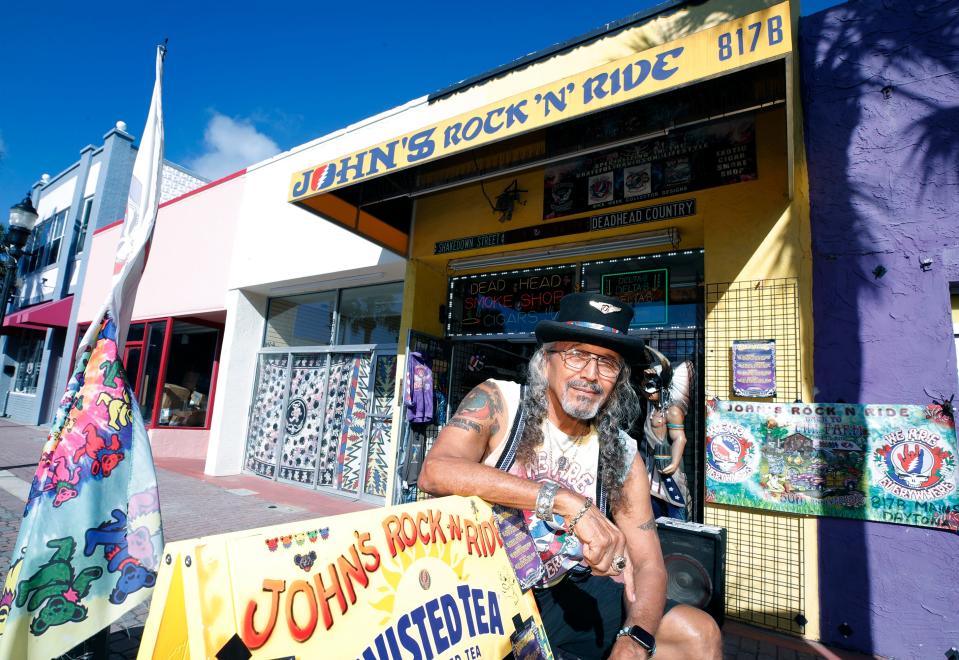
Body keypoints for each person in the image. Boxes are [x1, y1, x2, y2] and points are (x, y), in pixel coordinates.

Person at [419, 293, 721, 660]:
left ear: (618, 381)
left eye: (607, 363)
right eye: (576, 354)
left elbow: (649, 564)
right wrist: (563, 500)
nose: (590, 374)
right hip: (481, 591)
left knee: (698, 634)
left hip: (566, 589)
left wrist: (636, 639)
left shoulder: (623, 453)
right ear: (546, 363)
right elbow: (435, 471)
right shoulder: (499, 402)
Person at [638, 347, 693, 521]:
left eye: (651, 385)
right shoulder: (652, 409)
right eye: (645, 385)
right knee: (652, 508)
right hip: (652, 467)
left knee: (675, 507)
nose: (647, 391)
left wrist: (675, 462)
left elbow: (679, 438)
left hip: (668, 469)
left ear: (662, 386)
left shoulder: (673, 411)